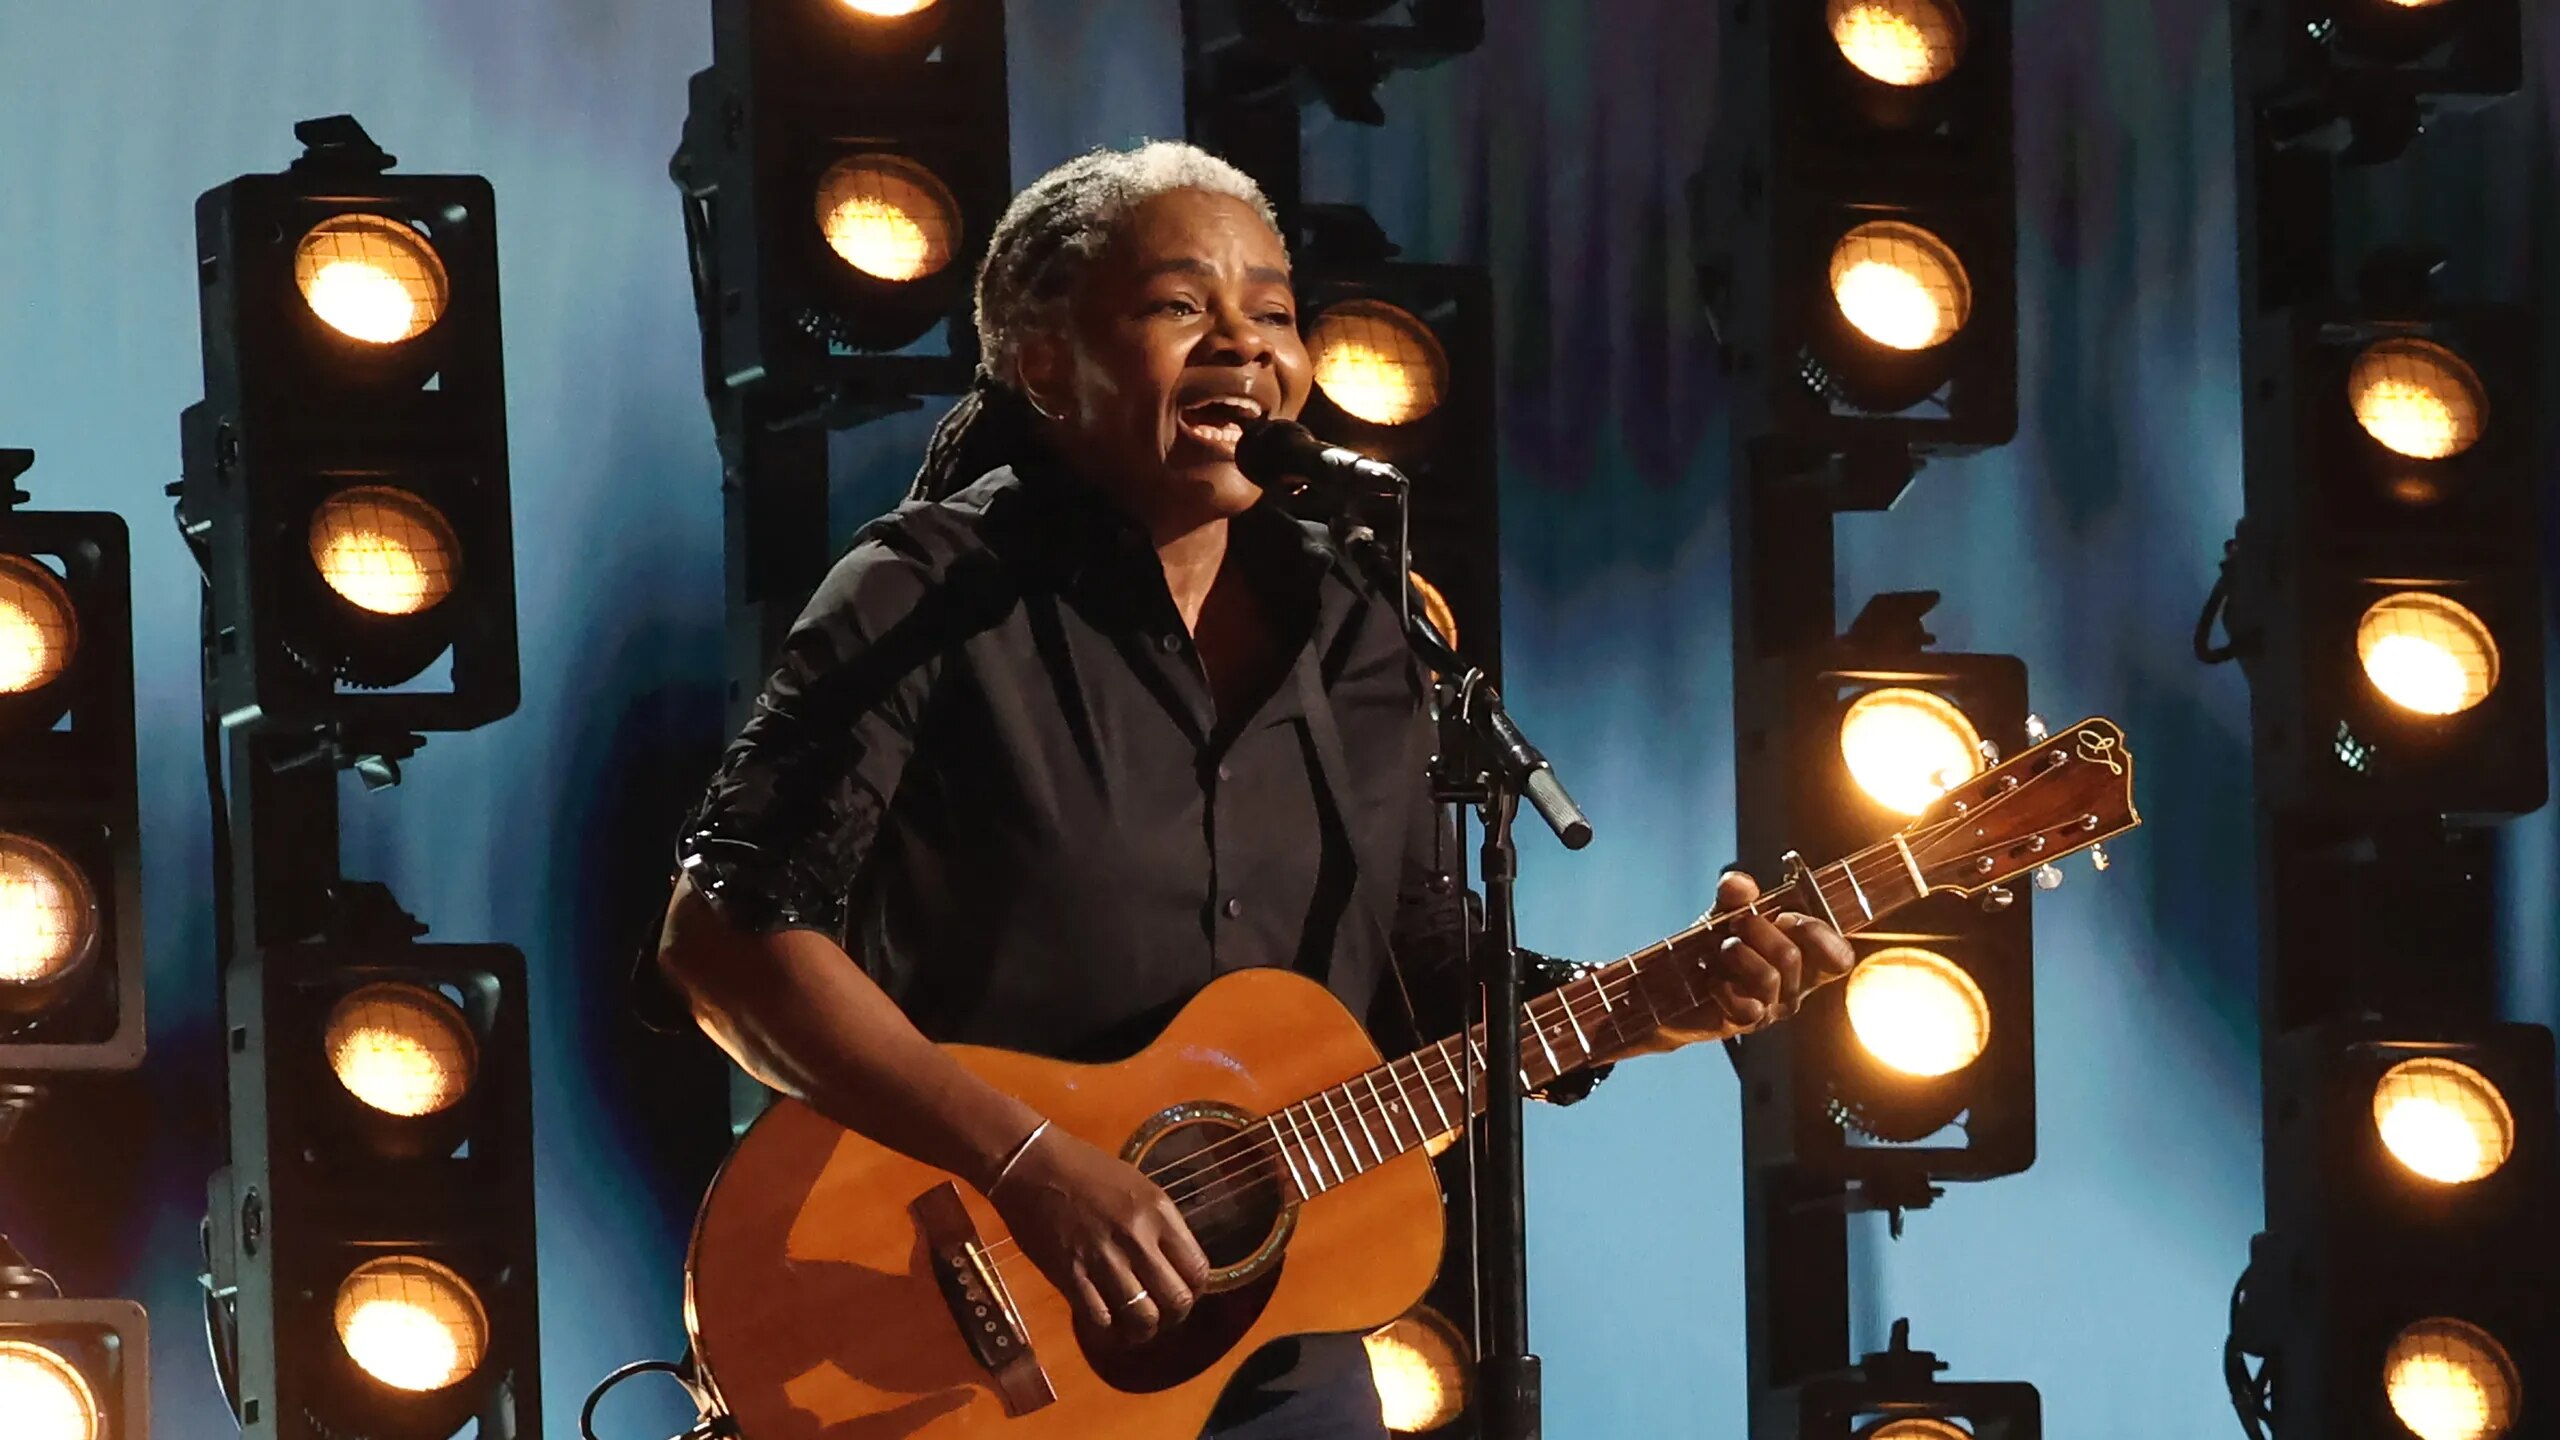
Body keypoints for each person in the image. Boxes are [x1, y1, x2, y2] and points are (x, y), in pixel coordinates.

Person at [654, 139, 1855, 1440]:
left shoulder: (1360, 633)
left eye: (1272, 314)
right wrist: (1030, 1166)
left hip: (1266, 1373)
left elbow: (1414, 962)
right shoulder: (928, 591)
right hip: (947, 1334)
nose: (1247, 350)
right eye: (1185, 308)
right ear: (1045, 360)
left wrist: (1647, 1001)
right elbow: (725, 938)